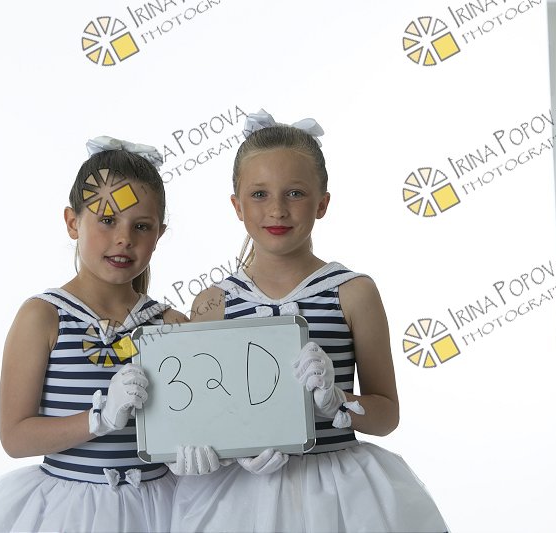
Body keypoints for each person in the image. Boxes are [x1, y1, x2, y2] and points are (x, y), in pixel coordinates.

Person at [170, 111, 448, 532]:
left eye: (295, 193)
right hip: (238, 500)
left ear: (322, 203)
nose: (277, 210)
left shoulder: (352, 292)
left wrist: (339, 401)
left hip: (338, 496)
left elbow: (386, 415)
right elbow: (202, 416)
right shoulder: (213, 303)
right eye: (259, 194)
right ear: (237, 206)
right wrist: (210, 453)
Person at [0, 137, 186, 532]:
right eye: (107, 220)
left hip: (161, 510)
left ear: (159, 234)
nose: (124, 238)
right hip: (71, 512)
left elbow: (190, 423)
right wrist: (100, 418)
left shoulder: (171, 324)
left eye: (141, 226)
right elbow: (15, 438)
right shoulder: (43, 317)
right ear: (72, 222)